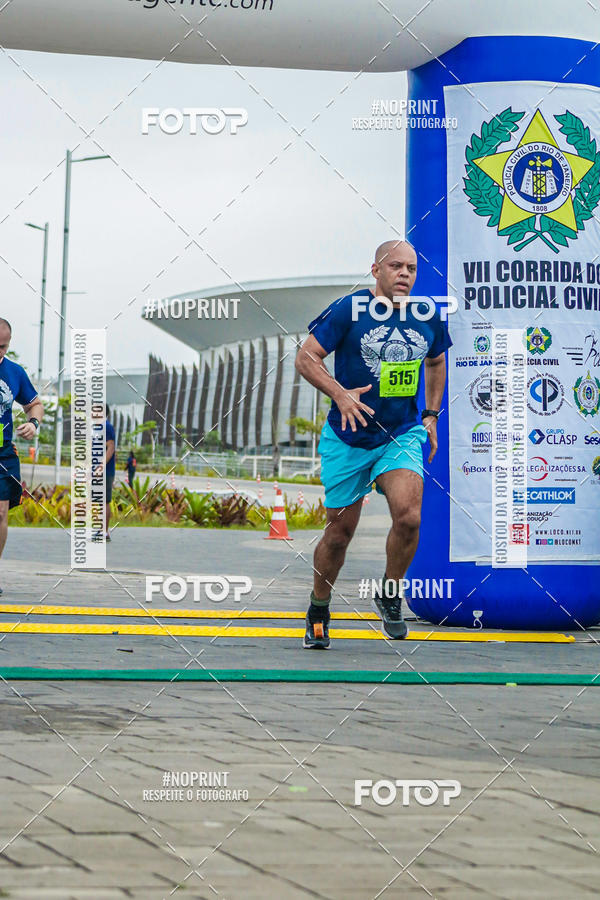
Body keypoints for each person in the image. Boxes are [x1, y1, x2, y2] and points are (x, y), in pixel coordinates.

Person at [295, 241, 452, 649]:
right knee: (339, 533)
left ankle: (389, 592)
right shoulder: (350, 309)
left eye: (411, 268)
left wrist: (431, 414)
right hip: (348, 436)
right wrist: (341, 394)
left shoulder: (426, 315)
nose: (404, 274)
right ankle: (319, 607)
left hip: (400, 433)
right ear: (376, 270)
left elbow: (436, 360)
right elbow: (306, 357)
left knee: (409, 517)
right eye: (396, 266)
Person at [0, 319, 44, 592]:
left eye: (3, 347)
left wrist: (34, 423)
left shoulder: (14, 372)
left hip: (3, 452)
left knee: (1, 511)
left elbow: (34, 404)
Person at [104, 406, 116, 541]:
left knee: (104, 501)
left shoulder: (106, 427)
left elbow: (111, 447)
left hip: (105, 471)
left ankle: (104, 532)